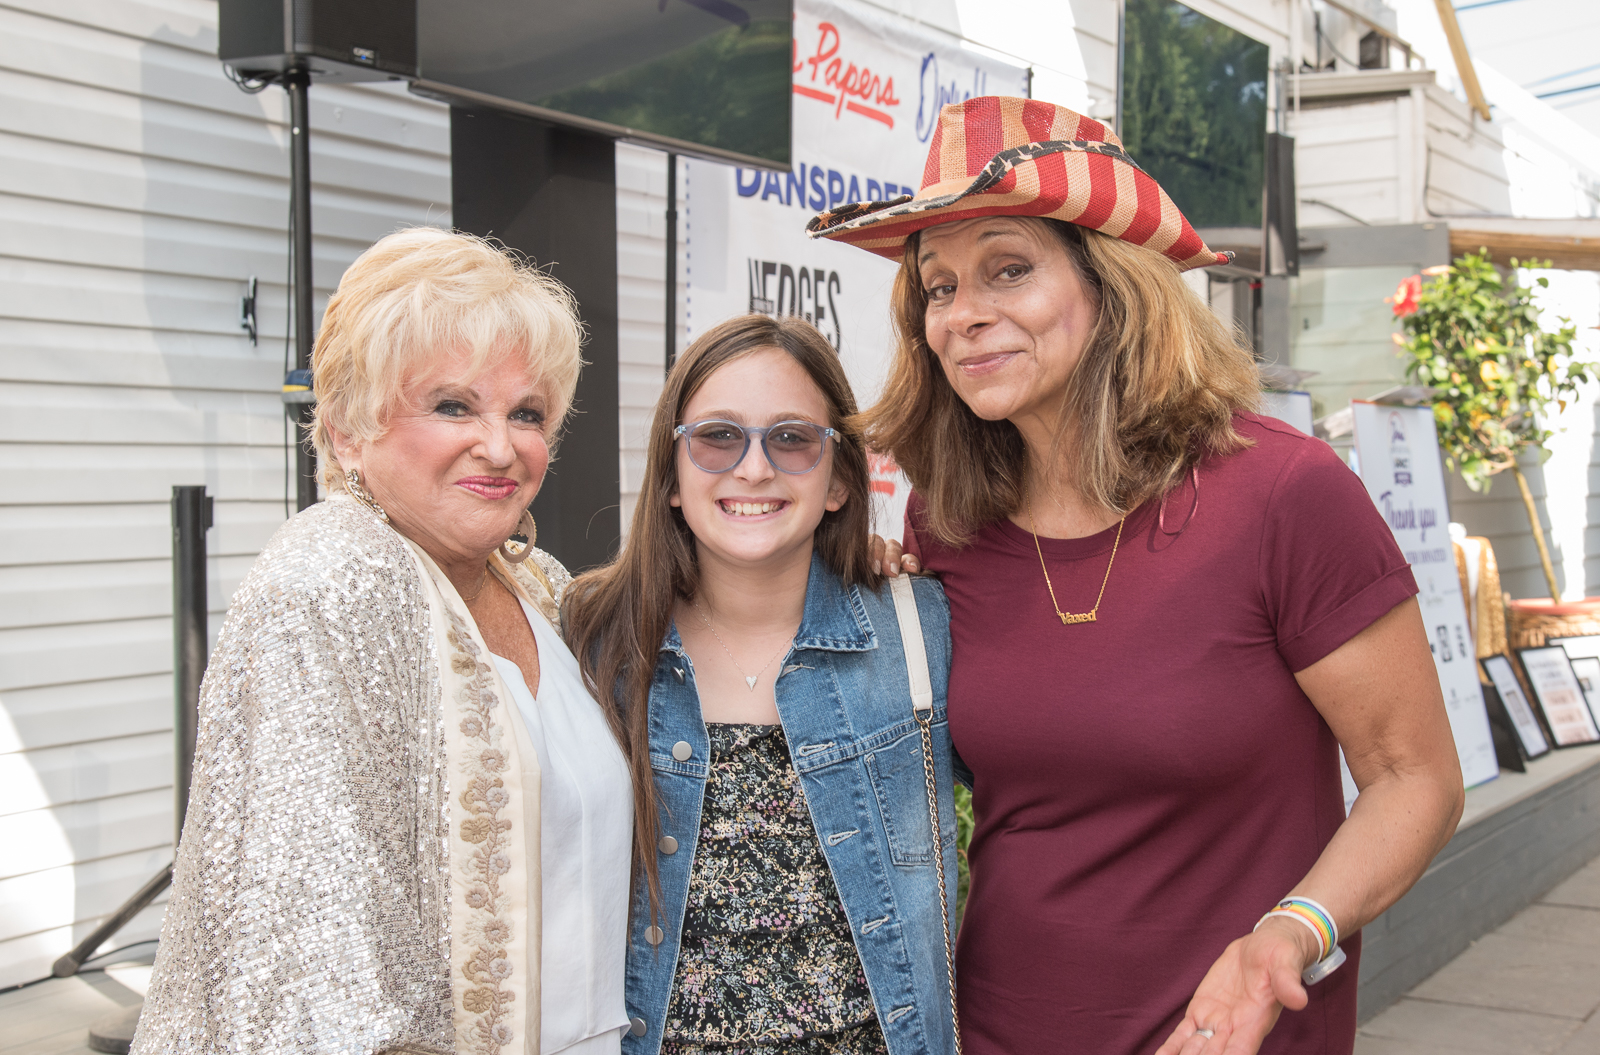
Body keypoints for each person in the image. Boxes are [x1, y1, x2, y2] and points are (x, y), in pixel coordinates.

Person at [807, 97, 1466, 1055]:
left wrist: (1295, 930)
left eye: (1010, 268)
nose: (964, 314)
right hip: (996, 1028)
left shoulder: (1284, 492)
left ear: (1112, 282)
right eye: (938, 286)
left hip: (1227, 1032)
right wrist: (853, 599)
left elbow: (1418, 779)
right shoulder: (945, 521)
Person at [132, 228, 634, 1055]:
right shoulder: (328, 577)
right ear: (347, 430)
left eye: (528, 413)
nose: (502, 445)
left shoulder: (537, 580)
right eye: (453, 405)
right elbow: (323, 952)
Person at [563, 314, 961, 1055]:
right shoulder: (592, 644)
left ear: (841, 478)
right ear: (672, 477)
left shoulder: (920, 631)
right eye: (717, 437)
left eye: (792, 438)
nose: (753, 468)